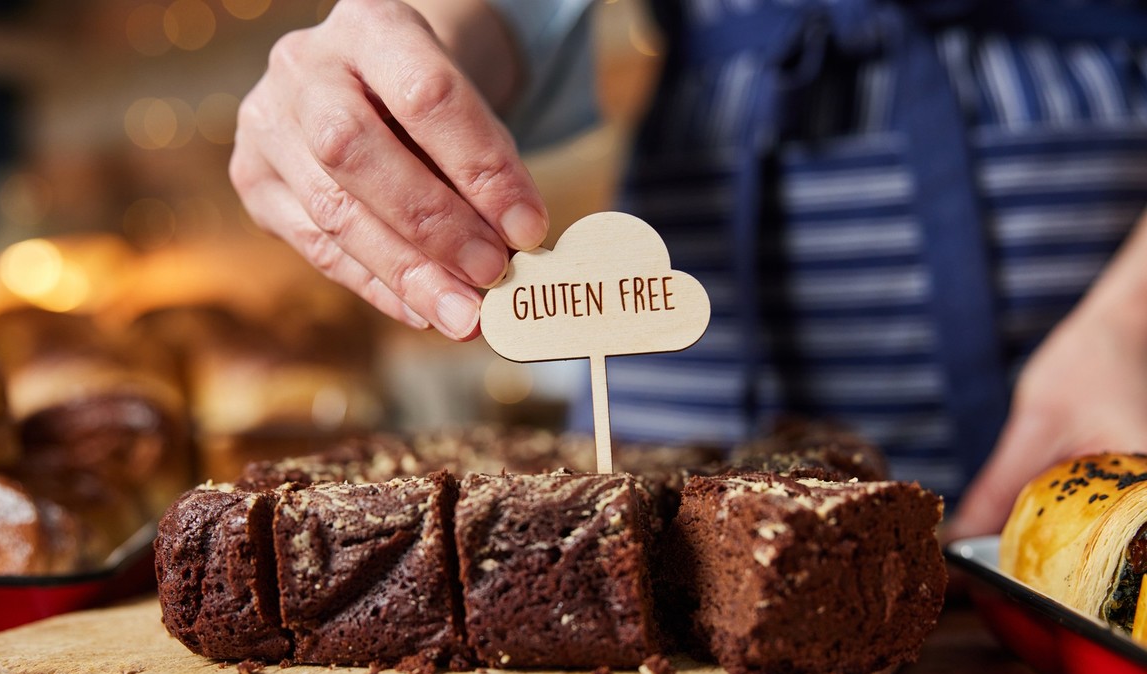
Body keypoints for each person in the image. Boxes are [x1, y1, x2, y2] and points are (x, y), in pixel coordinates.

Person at [230, 0, 1147, 542]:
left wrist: (1129, 327)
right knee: (631, 546)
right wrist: (408, 57)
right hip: (691, 335)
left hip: (1106, 366)